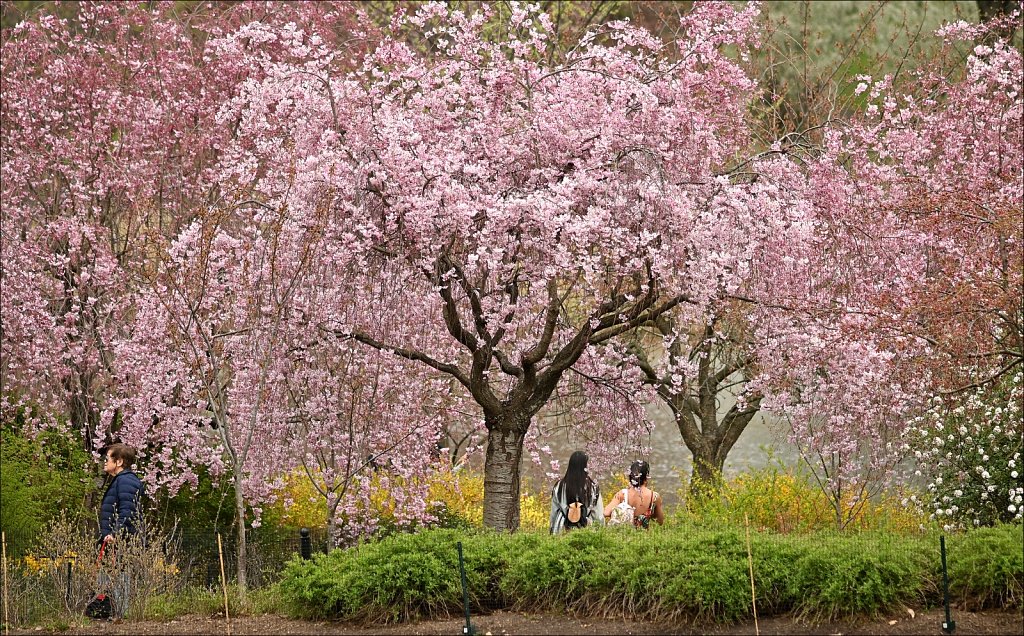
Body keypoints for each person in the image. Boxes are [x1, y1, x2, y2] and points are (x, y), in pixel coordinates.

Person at [96, 443, 145, 619]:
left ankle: (120, 617)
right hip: (113, 540)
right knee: (107, 578)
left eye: (107, 458)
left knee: (119, 578)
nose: (104, 462)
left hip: (119, 541)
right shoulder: (121, 480)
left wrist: (115, 534)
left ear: (119, 461)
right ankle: (110, 615)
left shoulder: (125, 481)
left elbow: (128, 511)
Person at [549, 451, 604, 534]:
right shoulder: (592, 487)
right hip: (587, 529)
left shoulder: (559, 486)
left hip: (563, 528)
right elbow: (598, 515)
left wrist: (551, 530)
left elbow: (554, 512)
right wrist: (601, 532)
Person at [604, 460, 665, 528]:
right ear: (646, 477)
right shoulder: (654, 496)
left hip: (624, 535)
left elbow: (606, 513)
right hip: (644, 537)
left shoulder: (622, 494)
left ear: (630, 476)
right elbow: (660, 521)